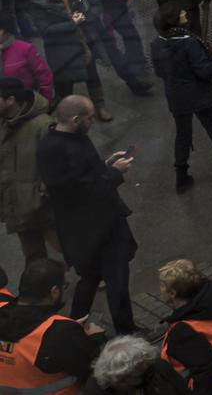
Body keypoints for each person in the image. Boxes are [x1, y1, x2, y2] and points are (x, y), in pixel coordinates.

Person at [37, 96, 139, 334]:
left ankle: (75, 326)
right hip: (96, 230)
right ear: (75, 119)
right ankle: (127, 332)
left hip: (86, 232)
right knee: (117, 281)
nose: (93, 122)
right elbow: (80, 192)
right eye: (89, 117)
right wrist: (113, 173)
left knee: (90, 278)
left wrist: (106, 164)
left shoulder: (64, 139)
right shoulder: (57, 148)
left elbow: (83, 176)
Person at [146, 5, 212, 195]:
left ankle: (181, 178)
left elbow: (159, 72)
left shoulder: (156, 44)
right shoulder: (189, 42)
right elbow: (204, 71)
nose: (184, 12)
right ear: (173, 20)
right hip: (201, 95)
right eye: (180, 12)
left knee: (182, 134)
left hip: (177, 97)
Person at [0, 257, 105, 394]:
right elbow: (90, 367)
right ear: (54, 291)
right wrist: (95, 338)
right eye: (64, 285)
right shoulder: (58, 333)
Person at [155, 258, 212, 395]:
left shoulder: (184, 333)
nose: (159, 289)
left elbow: (205, 374)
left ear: (173, 294)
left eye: (162, 285)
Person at [0, 78, 56, 262]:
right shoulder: (4, 124)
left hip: (41, 205)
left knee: (66, 244)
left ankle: (97, 274)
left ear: (10, 100)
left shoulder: (43, 125)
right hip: (15, 204)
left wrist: (42, 194)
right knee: (33, 255)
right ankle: (45, 287)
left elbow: (57, 162)